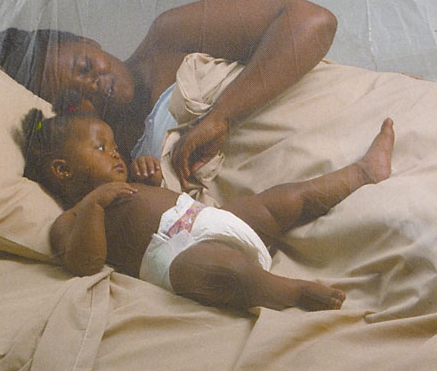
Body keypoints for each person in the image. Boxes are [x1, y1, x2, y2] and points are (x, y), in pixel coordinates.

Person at [20, 92, 396, 312]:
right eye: (102, 148)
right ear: (62, 170)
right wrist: (94, 207)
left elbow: (154, 200)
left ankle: (362, 173)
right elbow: (84, 264)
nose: (117, 154)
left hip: (202, 216)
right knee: (232, 274)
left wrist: (150, 179)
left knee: (280, 200)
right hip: (174, 258)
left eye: (116, 145)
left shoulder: (126, 182)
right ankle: (293, 291)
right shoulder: (70, 218)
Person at [0, 0, 338, 189]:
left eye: (85, 66)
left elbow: (312, 21)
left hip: (335, 118)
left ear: (89, 42)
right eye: (76, 95)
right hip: (306, 188)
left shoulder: (169, 37)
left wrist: (221, 118)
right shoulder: (113, 164)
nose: (94, 85)